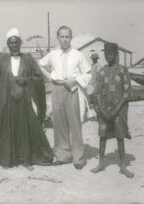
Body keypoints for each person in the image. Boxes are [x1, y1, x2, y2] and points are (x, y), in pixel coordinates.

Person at [0, 28, 53, 170]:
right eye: (11, 43)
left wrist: (26, 79)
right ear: (8, 45)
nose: (13, 45)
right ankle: (9, 159)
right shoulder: (2, 61)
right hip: (6, 102)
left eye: (16, 42)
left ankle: (26, 158)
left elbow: (39, 78)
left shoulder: (28, 59)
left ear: (20, 43)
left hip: (24, 101)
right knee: (7, 130)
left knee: (25, 129)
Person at [39, 26, 92, 169]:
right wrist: (50, 78)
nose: (64, 39)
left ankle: (78, 158)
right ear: (58, 38)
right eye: (62, 37)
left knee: (75, 124)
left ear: (71, 38)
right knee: (59, 124)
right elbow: (41, 64)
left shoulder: (78, 55)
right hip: (57, 89)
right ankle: (63, 155)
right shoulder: (53, 54)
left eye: (67, 37)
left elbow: (88, 73)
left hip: (72, 89)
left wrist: (75, 80)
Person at [90, 42, 134, 178]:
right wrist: (101, 110)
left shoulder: (122, 70)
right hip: (104, 111)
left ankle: (123, 166)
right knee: (102, 137)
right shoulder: (101, 72)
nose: (108, 56)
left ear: (115, 54)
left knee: (120, 137)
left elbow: (127, 92)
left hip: (119, 111)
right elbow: (96, 93)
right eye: (106, 54)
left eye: (111, 54)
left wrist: (117, 109)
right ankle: (101, 163)